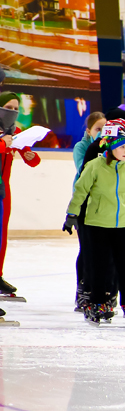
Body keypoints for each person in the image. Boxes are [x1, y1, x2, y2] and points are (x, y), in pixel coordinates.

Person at [64, 133, 125, 325]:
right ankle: (97, 302)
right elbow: (80, 191)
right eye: (122, 147)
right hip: (97, 223)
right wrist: (72, 214)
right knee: (99, 264)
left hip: (123, 224)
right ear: (111, 148)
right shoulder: (94, 166)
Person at [0, 91, 41, 298]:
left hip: (4, 190)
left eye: (16, 109)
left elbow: (33, 160)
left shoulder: (15, 132)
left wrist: (30, 156)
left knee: (1, 235)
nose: (13, 112)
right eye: (8, 108)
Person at [71, 111, 107, 310]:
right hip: (84, 202)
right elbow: (83, 169)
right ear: (89, 130)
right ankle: (82, 290)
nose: (101, 133)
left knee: (100, 250)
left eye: (104, 129)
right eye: (97, 129)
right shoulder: (82, 147)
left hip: (103, 204)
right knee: (86, 249)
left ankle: (97, 290)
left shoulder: (109, 147)